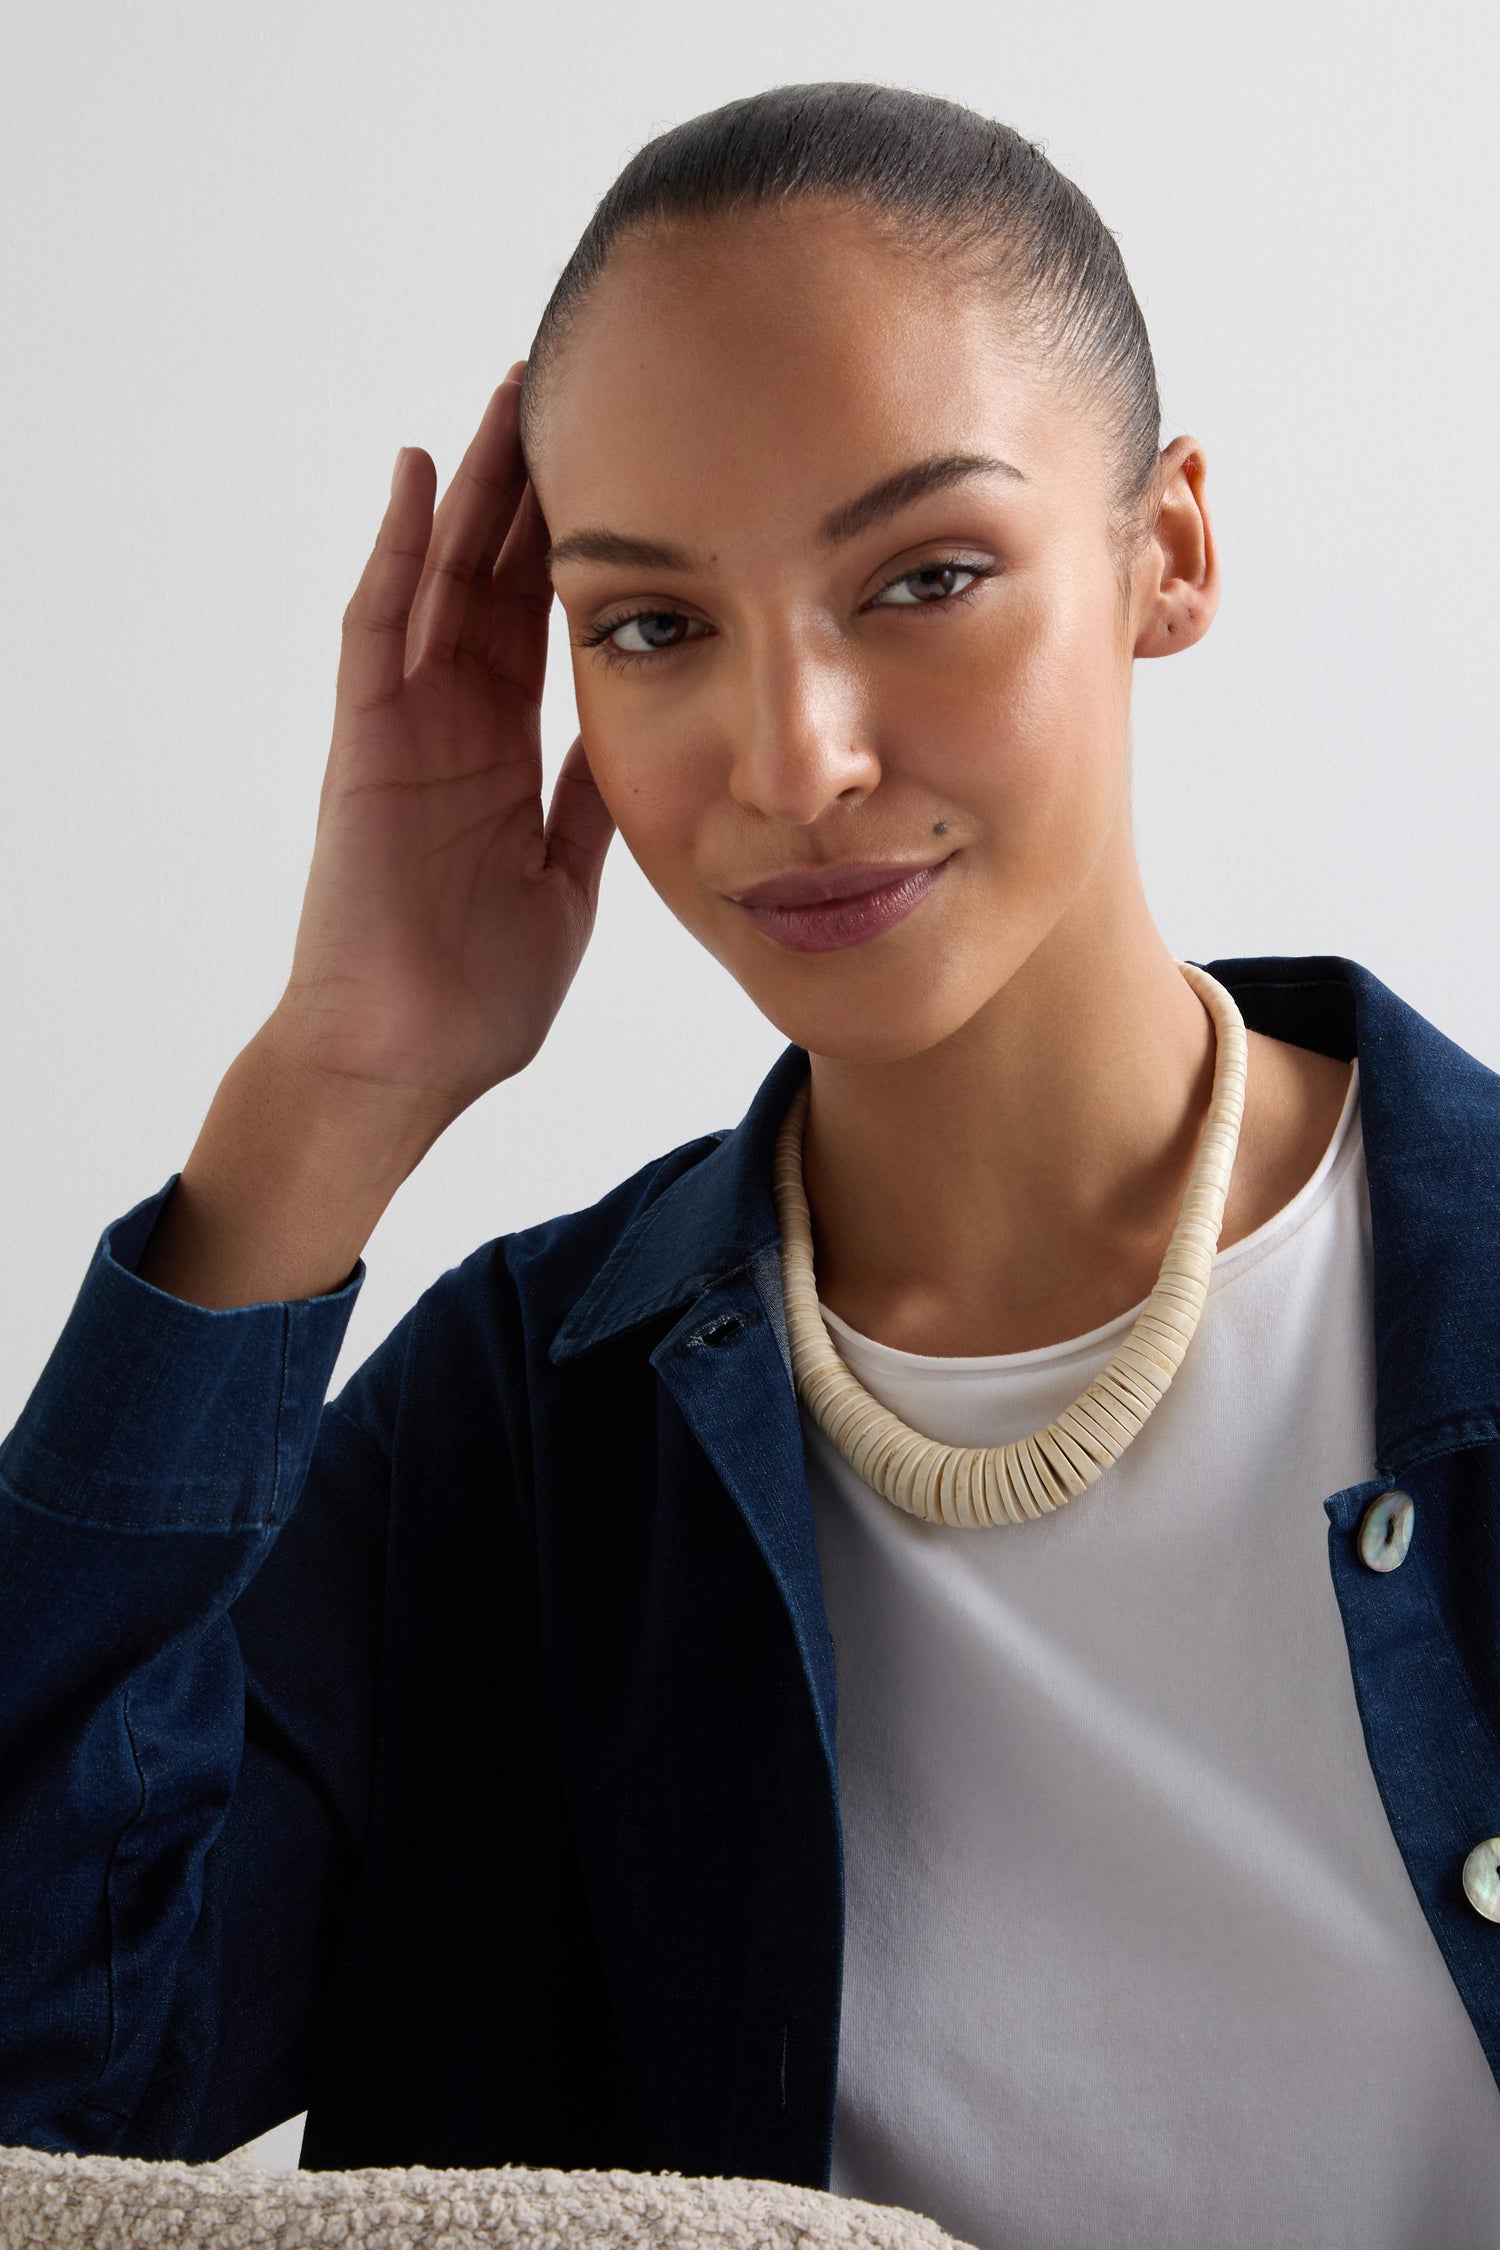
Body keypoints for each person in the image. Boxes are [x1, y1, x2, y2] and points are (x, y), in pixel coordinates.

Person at [2, 76, 1499, 2250]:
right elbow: (53, 2082)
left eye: (927, 576)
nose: (793, 757)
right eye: (653, 626)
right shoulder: (511, 1448)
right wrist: (335, 1086)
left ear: (1167, 550)